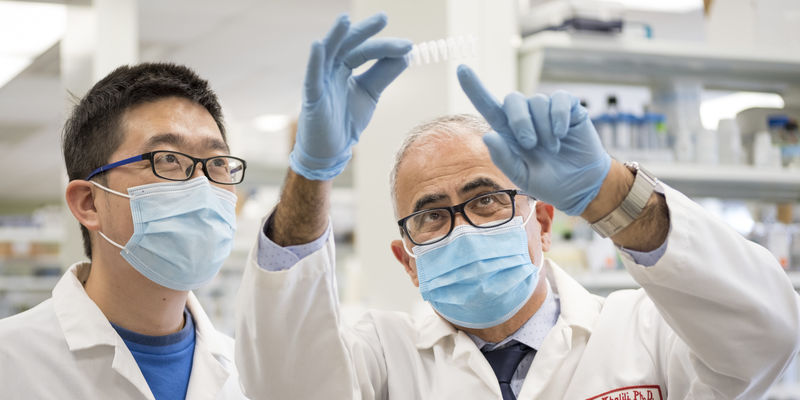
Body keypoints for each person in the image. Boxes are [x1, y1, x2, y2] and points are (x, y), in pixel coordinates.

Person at [235, 12, 800, 400]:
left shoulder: (644, 331)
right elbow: (288, 386)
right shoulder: (382, 358)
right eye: (431, 215)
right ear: (407, 260)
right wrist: (312, 174)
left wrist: (609, 189)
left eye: (485, 200)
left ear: (544, 220)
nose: (462, 227)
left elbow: (767, 338)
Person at [0, 63, 248, 399]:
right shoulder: (11, 362)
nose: (202, 187)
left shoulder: (247, 376)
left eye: (218, 163)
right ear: (89, 203)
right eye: (168, 159)